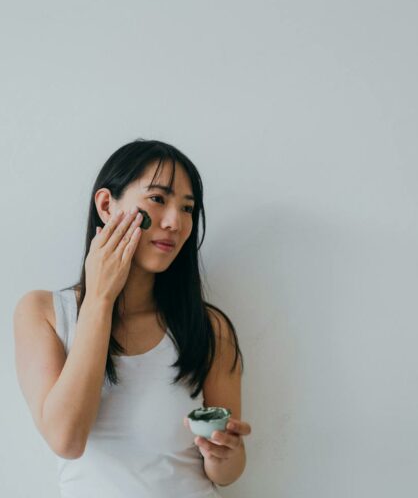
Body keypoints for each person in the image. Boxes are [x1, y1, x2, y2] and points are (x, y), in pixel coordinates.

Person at [13, 139, 251, 497]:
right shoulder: (42, 312)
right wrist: (100, 298)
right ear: (106, 205)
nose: (174, 222)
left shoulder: (207, 327)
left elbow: (225, 473)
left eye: (187, 208)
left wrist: (225, 453)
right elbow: (67, 440)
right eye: (157, 199)